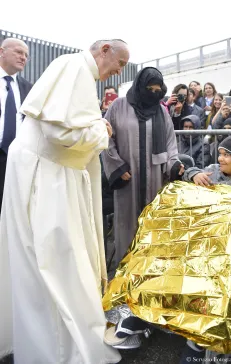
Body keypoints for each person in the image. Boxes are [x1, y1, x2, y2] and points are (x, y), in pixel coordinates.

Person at [0, 39, 130, 364]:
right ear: (104, 50)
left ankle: (38, 340)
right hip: (45, 176)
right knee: (55, 258)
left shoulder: (77, 72)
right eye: (120, 61)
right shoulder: (75, 67)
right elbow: (63, 134)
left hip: (46, 171)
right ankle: (55, 349)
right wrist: (102, 130)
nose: (119, 71)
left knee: (39, 257)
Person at [180, 133, 231, 363]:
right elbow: (187, 172)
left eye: (228, 155)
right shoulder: (213, 171)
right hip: (210, 245)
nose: (221, 158)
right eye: (221, 152)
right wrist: (193, 173)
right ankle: (195, 342)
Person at [102, 67, 184, 265]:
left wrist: (174, 165)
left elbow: (170, 143)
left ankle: (149, 275)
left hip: (155, 178)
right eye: (150, 89)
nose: (153, 94)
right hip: (127, 179)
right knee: (127, 226)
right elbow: (105, 138)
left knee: (153, 224)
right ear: (140, 86)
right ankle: (125, 272)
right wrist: (117, 167)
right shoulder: (118, 107)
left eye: (158, 90)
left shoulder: (161, 112)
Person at [0, 38, 32, 210]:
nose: (23, 58)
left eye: (26, 55)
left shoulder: (28, 89)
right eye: (19, 52)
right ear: (1, 51)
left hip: (15, 161)